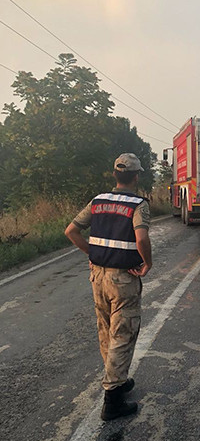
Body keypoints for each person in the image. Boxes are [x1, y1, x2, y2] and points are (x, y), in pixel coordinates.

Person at [65, 153, 152, 421]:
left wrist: (93, 253)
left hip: (98, 276)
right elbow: (141, 238)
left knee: (106, 330)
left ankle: (118, 378)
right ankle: (113, 399)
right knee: (122, 334)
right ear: (136, 177)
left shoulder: (98, 201)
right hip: (123, 279)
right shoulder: (139, 204)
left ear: (115, 175)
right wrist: (147, 263)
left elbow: (71, 231)